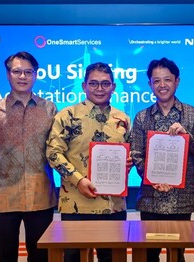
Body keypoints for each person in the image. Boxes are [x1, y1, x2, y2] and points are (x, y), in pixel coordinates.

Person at [46, 62, 131, 262]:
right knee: (74, 258)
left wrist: (128, 162)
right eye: (93, 84)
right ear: (84, 86)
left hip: (113, 206)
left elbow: (131, 153)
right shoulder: (67, 116)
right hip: (76, 204)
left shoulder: (123, 118)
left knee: (112, 258)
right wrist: (78, 180)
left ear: (113, 87)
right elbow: (53, 153)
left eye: (105, 84)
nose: (99, 89)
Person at [0, 51, 58, 262]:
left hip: (41, 197)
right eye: (17, 71)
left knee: (41, 257)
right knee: (4, 257)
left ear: (35, 75)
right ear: (8, 75)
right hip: (3, 199)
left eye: (28, 72)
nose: (22, 76)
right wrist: (4, 172)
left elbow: (56, 149)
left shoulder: (50, 109)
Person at [130, 57, 194, 262]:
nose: (162, 85)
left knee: (177, 256)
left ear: (177, 81)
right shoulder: (141, 117)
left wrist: (187, 136)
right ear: (150, 84)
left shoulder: (193, 114)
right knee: (148, 256)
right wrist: (153, 178)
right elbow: (137, 154)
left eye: (167, 79)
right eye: (156, 81)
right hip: (150, 199)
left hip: (182, 199)